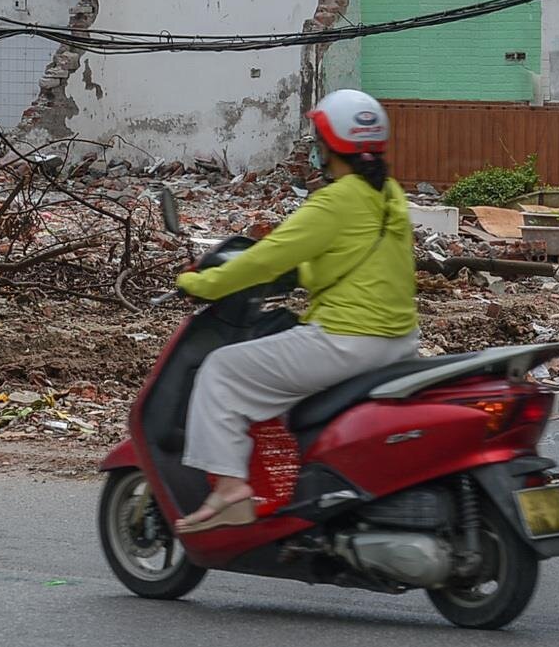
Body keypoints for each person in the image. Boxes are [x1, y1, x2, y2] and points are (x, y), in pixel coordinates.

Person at [171, 89, 420, 534]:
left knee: (222, 370)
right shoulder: (390, 196)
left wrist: (198, 283)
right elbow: (356, 255)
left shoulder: (334, 201)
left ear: (329, 147)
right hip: (398, 342)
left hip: (346, 340)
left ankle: (229, 488)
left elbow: (266, 258)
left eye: (318, 142)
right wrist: (304, 274)